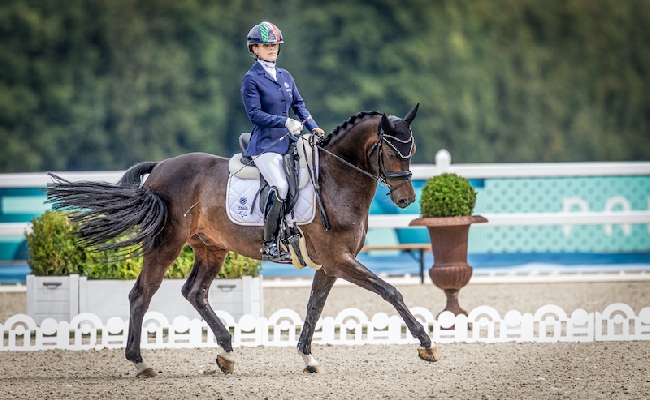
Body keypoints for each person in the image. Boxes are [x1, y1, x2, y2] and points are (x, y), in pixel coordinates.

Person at [241, 21, 325, 262]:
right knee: (281, 186)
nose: (272, 49)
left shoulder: (285, 76)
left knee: (310, 176)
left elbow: (298, 105)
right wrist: (284, 122)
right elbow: (254, 114)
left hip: (289, 142)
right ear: (254, 49)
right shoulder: (251, 79)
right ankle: (269, 244)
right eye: (267, 45)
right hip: (265, 145)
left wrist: (312, 126)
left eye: (275, 45)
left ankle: (297, 232)